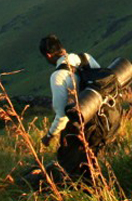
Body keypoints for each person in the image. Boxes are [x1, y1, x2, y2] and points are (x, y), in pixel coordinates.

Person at [39, 34, 101, 181]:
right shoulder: (85, 58)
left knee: (72, 169)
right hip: (102, 119)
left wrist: (49, 136)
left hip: (81, 128)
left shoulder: (58, 76)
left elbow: (62, 115)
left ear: (48, 55)